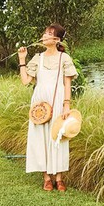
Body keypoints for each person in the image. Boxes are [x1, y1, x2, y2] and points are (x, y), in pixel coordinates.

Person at [18, 23, 78, 191]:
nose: (44, 36)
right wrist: (22, 60)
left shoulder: (64, 58)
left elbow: (67, 84)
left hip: (58, 102)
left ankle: (59, 178)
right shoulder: (38, 57)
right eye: (44, 33)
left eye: (49, 34)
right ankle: (46, 177)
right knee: (41, 139)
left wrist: (67, 105)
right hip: (40, 104)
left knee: (57, 137)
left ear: (57, 39)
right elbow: (25, 81)